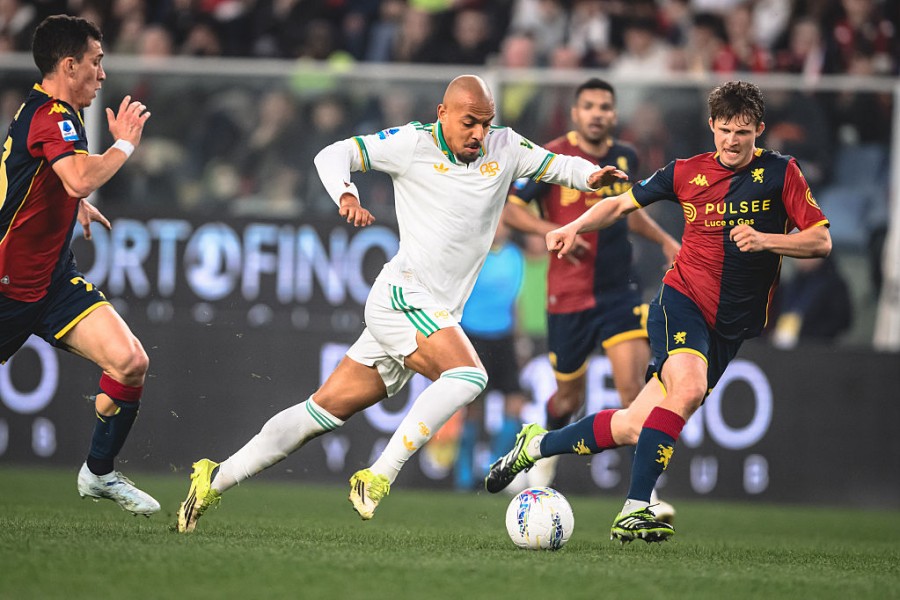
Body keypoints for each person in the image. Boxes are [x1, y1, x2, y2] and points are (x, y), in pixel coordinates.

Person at [176, 74, 627, 532]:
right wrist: (346, 193)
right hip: (403, 295)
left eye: (486, 123)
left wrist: (591, 176)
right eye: (469, 122)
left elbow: (556, 165)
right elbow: (332, 154)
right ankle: (378, 475)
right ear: (443, 113)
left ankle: (215, 478)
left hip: (434, 313)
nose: (479, 133)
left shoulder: (504, 146)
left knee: (322, 411)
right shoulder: (411, 143)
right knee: (469, 376)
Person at [485, 80, 831, 544]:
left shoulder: (782, 173)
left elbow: (820, 240)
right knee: (687, 388)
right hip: (681, 301)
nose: (732, 141)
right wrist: (573, 227)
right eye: (725, 130)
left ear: (759, 130)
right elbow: (620, 205)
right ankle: (635, 508)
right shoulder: (686, 171)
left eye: (743, 132)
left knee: (633, 425)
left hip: (731, 326)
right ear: (712, 126)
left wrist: (767, 240)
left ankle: (536, 444)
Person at [501, 78, 680, 519]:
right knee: (568, 399)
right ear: (575, 113)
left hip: (619, 293)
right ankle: (538, 452)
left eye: (605, 106)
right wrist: (555, 230)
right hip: (568, 297)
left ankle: (645, 497)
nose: (598, 113)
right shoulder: (552, 157)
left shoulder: (626, 157)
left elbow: (628, 212)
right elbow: (511, 210)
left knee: (633, 392)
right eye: (589, 106)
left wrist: (663, 240)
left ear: (614, 114)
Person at [0, 15, 157, 515]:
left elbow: (41, 176)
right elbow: (80, 177)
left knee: (130, 362)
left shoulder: (48, 113)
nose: (102, 74)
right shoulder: (52, 115)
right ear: (69, 65)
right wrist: (124, 143)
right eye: (96, 61)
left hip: (51, 281)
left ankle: (99, 472)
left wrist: (68, 201)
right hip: (6, 285)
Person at [455, 220, 527, 491]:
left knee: (515, 401)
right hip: (473, 334)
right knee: (474, 404)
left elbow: (516, 301)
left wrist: (520, 340)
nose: (500, 228)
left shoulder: (515, 257)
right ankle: (463, 473)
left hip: (503, 336)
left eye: (505, 224)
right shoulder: (474, 252)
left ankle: (494, 468)